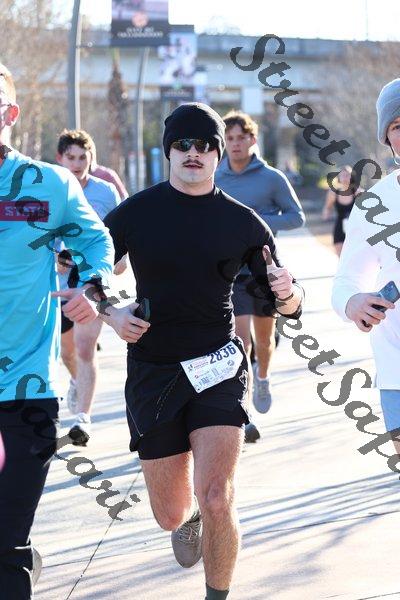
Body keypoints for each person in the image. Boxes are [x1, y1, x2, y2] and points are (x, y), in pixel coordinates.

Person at [102, 102, 304, 600]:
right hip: (154, 368)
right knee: (170, 514)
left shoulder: (243, 223)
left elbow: (289, 300)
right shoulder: (135, 213)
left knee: (217, 496)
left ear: (217, 154)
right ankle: (189, 516)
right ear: (169, 151)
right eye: (183, 144)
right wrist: (112, 313)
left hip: (217, 365)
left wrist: (289, 292)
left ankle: (217, 591)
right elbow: (89, 273)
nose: (194, 153)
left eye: (205, 145)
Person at [0, 63, 114, 599]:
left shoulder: (49, 183)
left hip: (25, 390)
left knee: (6, 545)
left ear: (10, 113)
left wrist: (91, 286)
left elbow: (95, 241)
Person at [215, 110, 305, 440]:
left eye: (241, 137)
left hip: (264, 272)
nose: (235, 144)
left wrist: (259, 222)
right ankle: (245, 409)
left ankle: (263, 378)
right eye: (230, 138)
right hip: (231, 273)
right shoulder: (216, 177)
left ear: (253, 139)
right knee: (240, 340)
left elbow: (296, 217)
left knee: (264, 342)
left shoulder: (271, 178)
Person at [332, 77, 400, 453]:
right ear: (387, 137)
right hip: (397, 370)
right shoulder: (375, 204)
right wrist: (353, 302)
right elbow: (346, 281)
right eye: (397, 125)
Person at [56, 129, 125, 446]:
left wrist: (121, 260)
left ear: (91, 159)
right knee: (67, 351)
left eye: (83, 157)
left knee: (85, 347)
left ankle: (83, 419)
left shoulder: (105, 191)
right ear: (60, 158)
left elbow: (120, 230)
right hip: (59, 282)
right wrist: (55, 257)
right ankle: (76, 381)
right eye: (71, 157)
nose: (77, 163)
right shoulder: (52, 188)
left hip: (92, 280)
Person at [322, 165, 362, 256]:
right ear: (339, 178)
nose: (345, 178)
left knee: (353, 255)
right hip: (339, 227)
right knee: (340, 255)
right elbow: (327, 207)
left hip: (355, 228)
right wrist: (326, 214)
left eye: (347, 175)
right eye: (342, 175)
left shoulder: (357, 192)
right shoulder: (333, 193)